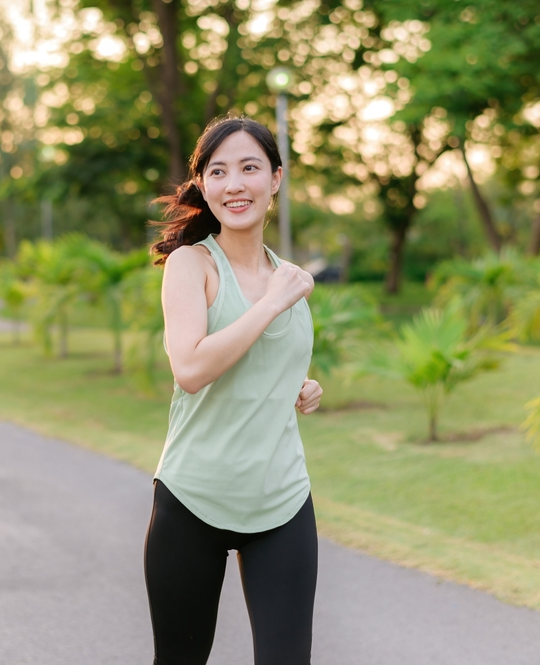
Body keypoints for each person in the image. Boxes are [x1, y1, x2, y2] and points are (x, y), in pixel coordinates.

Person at [144, 115, 323, 665]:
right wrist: (270, 303)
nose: (234, 184)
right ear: (203, 185)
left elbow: (271, 361)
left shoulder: (288, 276)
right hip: (194, 499)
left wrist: (301, 388)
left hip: (281, 499)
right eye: (218, 171)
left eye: (249, 168)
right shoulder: (190, 265)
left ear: (275, 179)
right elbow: (191, 370)